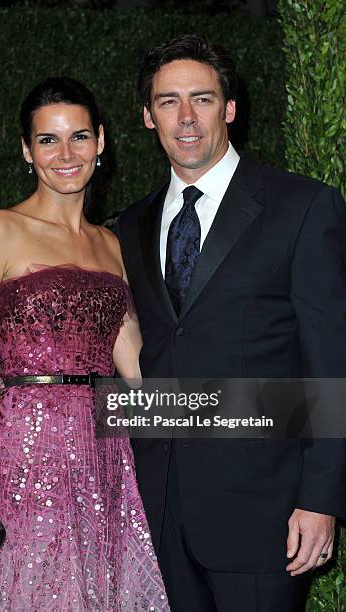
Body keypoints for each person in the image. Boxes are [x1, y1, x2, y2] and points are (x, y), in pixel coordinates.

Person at [117, 35, 346, 612]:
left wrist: (321, 499)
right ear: (148, 116)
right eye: (168, 101)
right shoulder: (129, 226)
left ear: (230, 109)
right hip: (160, 511)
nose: (186, 117)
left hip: (265, 513)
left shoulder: (302, 207)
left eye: (202, 98)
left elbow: (331, 359)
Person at [0, 77, 169, 611]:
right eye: (48, 140)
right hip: (23, 454)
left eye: (79, 137)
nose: (66, 155)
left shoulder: (112, 246)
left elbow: (134, 368)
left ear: (102, 141)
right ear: (27, 149)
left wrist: (235, 421)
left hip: (106, 459)